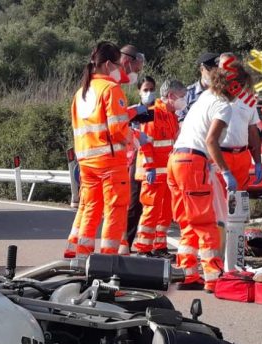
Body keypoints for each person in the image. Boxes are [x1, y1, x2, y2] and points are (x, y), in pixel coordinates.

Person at [167, 65, 250, 292]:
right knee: (206, 223)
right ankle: (213, 278)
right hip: (192, 163)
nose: (241, 92)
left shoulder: (205, 96)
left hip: (175, 160)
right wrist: (225, 170)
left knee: (189, 222)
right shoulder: (223, 106)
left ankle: (188, 274)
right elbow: (211, 141)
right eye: (240, 87)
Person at [66, 41, 132, 258]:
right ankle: (107, 263)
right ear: (107, 64)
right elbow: (118, 131)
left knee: (90, 210)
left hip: (86, 162)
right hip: (110, 162)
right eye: (117, 65)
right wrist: (135, 137)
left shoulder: (80, 93)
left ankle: (83, 256)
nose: (120, 70)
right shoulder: (111, 89)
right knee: (115, 210)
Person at [133, 79, 187, 259]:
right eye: (181, 97)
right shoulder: (152, 113)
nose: (183, 100)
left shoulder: (171, 115)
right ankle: (143, 248)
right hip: (153, 173)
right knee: (151, 211)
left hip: (167, 173)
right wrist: (149, 167)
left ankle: (159, 246)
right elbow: (145, 143)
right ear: (171, 96)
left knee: (165, 213)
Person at [217, 53, 262, 191]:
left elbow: (253, 131)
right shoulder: (212, 96)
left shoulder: (248, 98)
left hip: (242, 156)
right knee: (219, 201)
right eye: (224, 67)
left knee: (240, 202)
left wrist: (258, 162)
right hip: (220, 155)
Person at [125, 76, 156, 252]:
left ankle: (150, 246)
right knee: (134, 206)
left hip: (156, 166)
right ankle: (126, 244)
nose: (149, 93)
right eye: (145, 89)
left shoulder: (160, 111)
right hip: (136, 163)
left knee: (153, 208)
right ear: (139, 91)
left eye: (151, 89)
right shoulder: (133, 111)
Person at [177, 52, 219, 122]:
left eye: (215, 71)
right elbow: (180, 118)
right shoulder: (188, 93)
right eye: (210, 70)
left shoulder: (220, 90)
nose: (213, 74)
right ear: (202, 70)